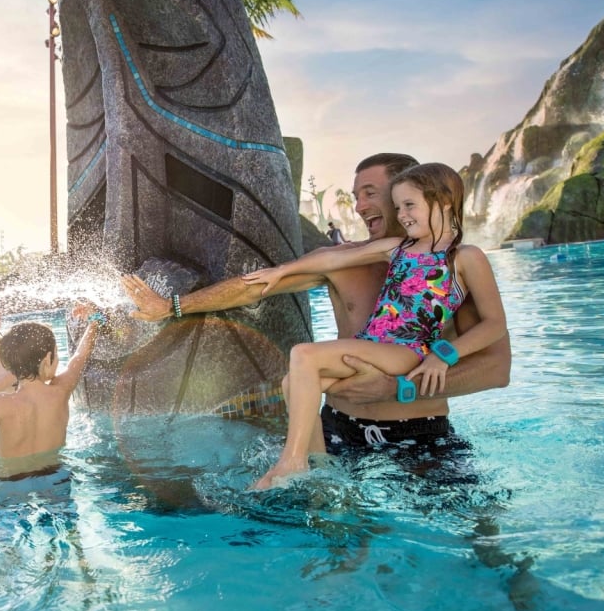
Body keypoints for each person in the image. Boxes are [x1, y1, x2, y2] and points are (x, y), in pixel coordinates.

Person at [121, 153, 510, 458]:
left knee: (482, 543)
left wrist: (398, 389)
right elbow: (255, 287)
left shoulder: (456, 265)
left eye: (371, 194)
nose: (359, 206)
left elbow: (496, 370)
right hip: (337, 429)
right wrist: (172, 306)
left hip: (418, 432)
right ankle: (306, 466)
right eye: (356, 195)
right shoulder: (355, 259)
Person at [241, 162, 507, 487]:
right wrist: (281, 271)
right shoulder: (398, 249)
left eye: (410, 205)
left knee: (304, 355)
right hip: (373, 344)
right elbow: (334, 258)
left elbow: (494, 324)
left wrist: (443, 355)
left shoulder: (464, 257)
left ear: (444, 201)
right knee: (291, 383)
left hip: (406, 349)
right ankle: (322, 470)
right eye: (398, 207)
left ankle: (292, 461)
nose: (403, 214)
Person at [0, 308, 101, 481]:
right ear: (48, 359)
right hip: (55, 476)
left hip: (10, 483)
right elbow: (79, 356)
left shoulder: (1, 403)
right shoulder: (61, 391)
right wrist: (94, 321)